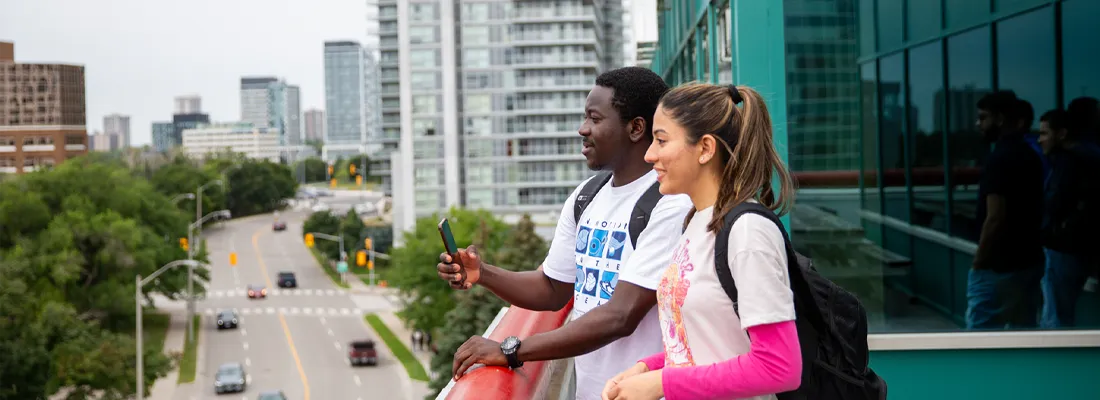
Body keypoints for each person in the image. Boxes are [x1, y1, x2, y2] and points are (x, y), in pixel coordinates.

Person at [436, 67, 693, 400]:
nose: (582, 129)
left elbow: (621, 316)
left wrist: (513, 349)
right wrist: (482, 273)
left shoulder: (671, 202)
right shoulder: (587, 196)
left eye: (595, 119)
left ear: (636, 128)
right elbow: (553, 288)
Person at [600, 83, 801, 400]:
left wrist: (662, 383)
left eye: (662, 140)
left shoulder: (748, 232)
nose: (650, 154)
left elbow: (779, 367)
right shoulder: (696, 221)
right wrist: (650, 367)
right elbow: (711, 343)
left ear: (706, 148)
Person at [966, 90, 1045, 330]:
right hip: (1028, 261)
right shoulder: (1031, 155)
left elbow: (995, 217)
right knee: (1024, 335)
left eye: (983, 118)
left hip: (998, 266)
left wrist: (979, 262)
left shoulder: (999, 159)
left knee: (979, 339)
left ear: (999, 119)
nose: (978, 124)